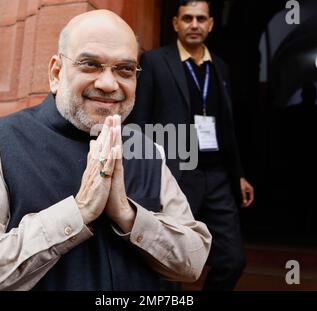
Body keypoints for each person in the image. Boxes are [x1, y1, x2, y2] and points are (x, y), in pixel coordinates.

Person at [0, 10, 212, 291]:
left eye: (125, 69)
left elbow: (194, 259)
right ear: (56, 72)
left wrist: (128, 216)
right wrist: (78, 212)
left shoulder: (149, 151)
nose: (109, 84)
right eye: (90, 65)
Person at [127, 0, 254, 291]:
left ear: (210, 24)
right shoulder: (156, 62)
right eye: (187, 18)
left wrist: (239, 174)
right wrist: (142, 171)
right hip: (176, 171)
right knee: (168, 259)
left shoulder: (220, 67)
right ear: (175, 24)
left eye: (200, 19)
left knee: (232, 260)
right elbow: (139, 120)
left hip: (218, 176)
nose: (194, 25)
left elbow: (226, 126)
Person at [282, 82, 317, 236]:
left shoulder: (295, 113)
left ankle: (303, 227)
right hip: (309, 160)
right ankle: (309, 228)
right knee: (307, 197)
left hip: (303, 160)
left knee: (304, 197)